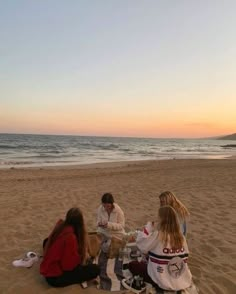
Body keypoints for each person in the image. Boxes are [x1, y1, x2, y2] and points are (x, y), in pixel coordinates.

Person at [122, 206, 193, 293]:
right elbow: (185, 256)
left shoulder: (159, 235)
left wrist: (148, 228)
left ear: (162, 220)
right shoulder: (181, 237)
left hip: (162, 280)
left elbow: (142, 246)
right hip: (181, 280)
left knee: (133, 265)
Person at [40, 207, 100, 287]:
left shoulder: (60, 224)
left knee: (46, 241)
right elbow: (68, 266)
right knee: (95, 269)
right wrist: (80, 257)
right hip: (55, 277)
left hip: (49, 268)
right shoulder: (70, 238)